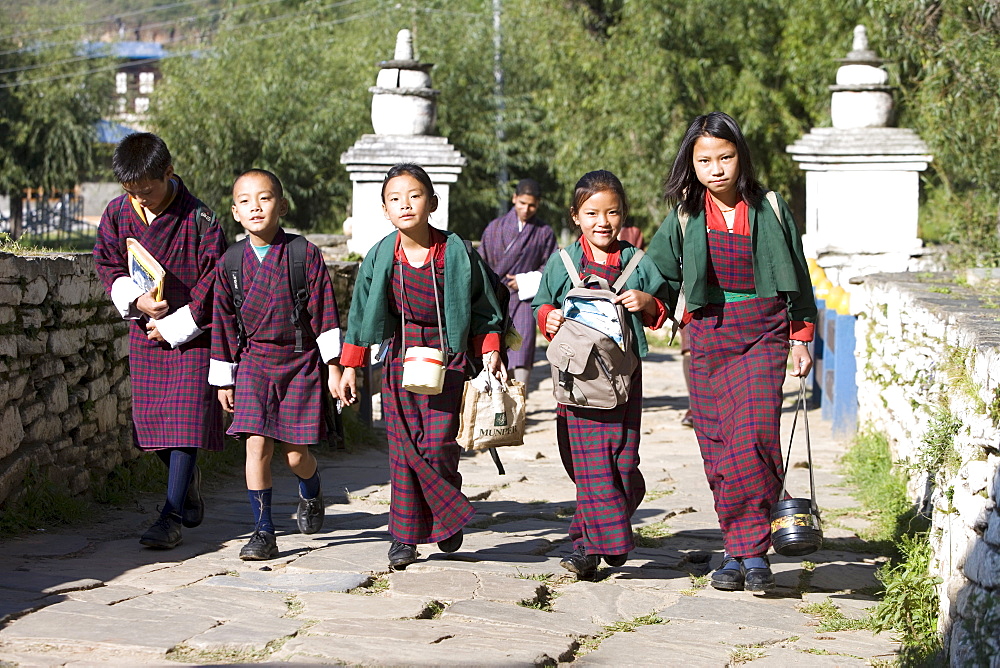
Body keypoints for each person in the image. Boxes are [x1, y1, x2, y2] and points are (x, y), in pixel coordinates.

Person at [645, 111, 816, 592]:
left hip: (764, 331)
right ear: (692, 164)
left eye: (725, 157)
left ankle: (752, 551)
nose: (716, 168)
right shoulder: (685, 215)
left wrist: (801, 339)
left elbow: (799, 279)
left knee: (754, 438)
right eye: (705, 160)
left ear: (741, 157)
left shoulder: (771, 207)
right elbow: (656, 274)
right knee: (718, 450)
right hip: (708, 336)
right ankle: (740, 552)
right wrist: (643, 304)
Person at [338, 163, 507, 569]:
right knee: (402, 451)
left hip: (448, 357)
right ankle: (404, 537)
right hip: (400, 356)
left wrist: (491, 350)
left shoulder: (458, 253)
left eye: (414, 195)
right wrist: (350, 368)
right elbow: (360, 315)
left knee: (438, 447)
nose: (405, 204)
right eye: (395, 199)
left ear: (432, 202)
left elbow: (486, 309)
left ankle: (447, 516)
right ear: (384, 209)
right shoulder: (380, 256)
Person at [533, 170, 670, 580]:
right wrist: (549, 317)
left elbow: (662, 311)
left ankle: (602, 531)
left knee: (622, 463)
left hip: (624, 378)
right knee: (587, 465)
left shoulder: (637, 262)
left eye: (612, 212)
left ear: (623, 215)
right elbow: (541, 304)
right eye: (592, 212)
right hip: (575, 379)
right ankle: (588, 548)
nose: (603, 222)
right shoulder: (562, 263)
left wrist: (646, 301)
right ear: (576, 216)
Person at [93, 132, 227, 549]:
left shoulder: (201, 219)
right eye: (132, 191)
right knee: (152, 425)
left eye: (147, 190)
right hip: (144, 332)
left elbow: (215, 281)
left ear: (169, 173)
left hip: (191, 335)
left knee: (185, 422)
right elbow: (107, 261)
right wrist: (136, 300)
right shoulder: (117, 212)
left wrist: (177, 322)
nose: (141, 199)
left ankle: (169, 516)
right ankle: (186, 484)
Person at [210, 169, 344, 561]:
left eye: (265, 198)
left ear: (282, 205)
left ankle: (311, 488)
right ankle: (263, 531)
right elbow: (222, 322)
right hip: (253, 362)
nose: (256, 207)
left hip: (299, 361)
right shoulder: (231, 262)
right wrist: (224, 378)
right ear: (235, 212)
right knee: (256, 448)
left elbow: (325, 314)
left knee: (295, 454)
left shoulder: (304, 254)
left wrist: (334, 367)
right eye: (246, 201)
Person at [478, 178, 557, 389]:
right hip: (495, 297)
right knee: (494, 347)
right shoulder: (494, 228)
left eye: (531, 204)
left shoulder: (544, 232)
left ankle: (520, 401)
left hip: (523, 299)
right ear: (514, 199)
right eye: (522, 203)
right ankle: (496, 400)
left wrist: (523, 281)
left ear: (538, 203)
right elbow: (481, 262)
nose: (526, 209)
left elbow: (551, 267)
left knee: (522, 348)